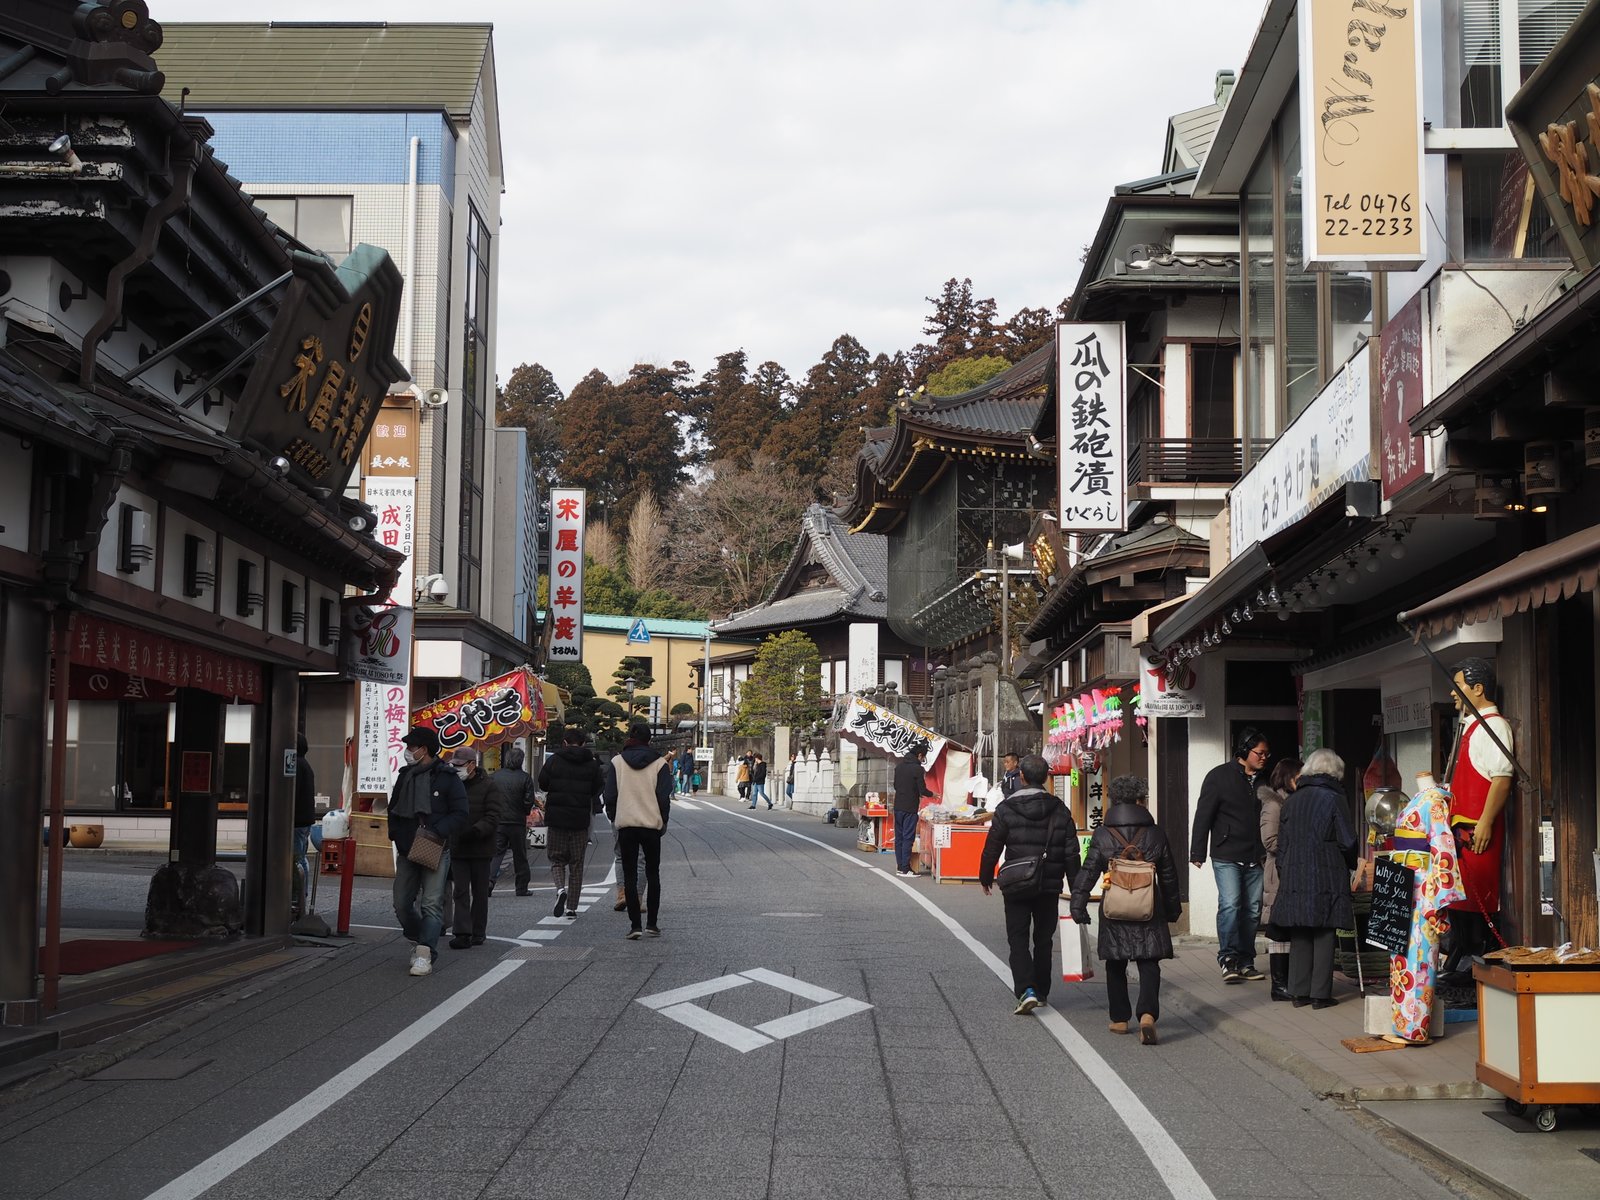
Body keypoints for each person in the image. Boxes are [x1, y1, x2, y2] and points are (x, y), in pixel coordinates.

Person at [1070, 774, 1181, 1043]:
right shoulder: (1155, 833)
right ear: (1140, 800)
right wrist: (1172, 908)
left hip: (1115, 906)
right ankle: (1147, 1015)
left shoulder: (1103, 833)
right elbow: (1168, 875)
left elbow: (1089, 870)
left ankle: (1120, 1019)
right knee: (1149, 961)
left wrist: (1078, 903)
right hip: (1148, 906)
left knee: (1116, 963)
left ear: (1114, 800)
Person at [980, 754, 1080, 1014]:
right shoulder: (1060, 809)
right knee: (1044, 939)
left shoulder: (1006, 809)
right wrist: (1077, 887)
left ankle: (1026, 990)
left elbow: (992, 847)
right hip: (1049, 884)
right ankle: (1043, 991)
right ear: (1046, 777)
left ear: (1021, 776)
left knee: (1018, 938)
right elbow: (1071, 852)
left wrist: (984, 876)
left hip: (1016, 883)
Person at [1442, 656, 1513, 977]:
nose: (1454, 694)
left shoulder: (1493, 726)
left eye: (1459, 686)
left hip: (1476, 833)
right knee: (1461, 899)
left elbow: (1501, 778)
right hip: (1462, 834)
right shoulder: (1472, 727)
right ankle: (1460, 957)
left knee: (1476, 898)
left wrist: (1485, 821)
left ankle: (1473, 960)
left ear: (1479, 688)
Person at [1271, 748, 1358, 1008]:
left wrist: (1284, 871)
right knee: (1324, 930)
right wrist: (1351, 864)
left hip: (1295, 871)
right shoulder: (1334, 798)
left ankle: (1298, 991)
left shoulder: (1293, 800)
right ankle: (1320, 994)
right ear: (1334, 773)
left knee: (1300, 930)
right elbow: (1347, 839)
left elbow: (1282, 843)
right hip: (1326, 869)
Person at [1385, 773, 1464, 1045]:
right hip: (1405, 882)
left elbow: (1443, 847)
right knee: (1401, 954)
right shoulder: (1421, 798)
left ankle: (1416, 1029)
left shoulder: (1435, 802)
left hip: (1422, 886)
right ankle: (1402, 1024)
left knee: (1419, 954)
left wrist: (1437, 897)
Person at [387, 727, 469, 976]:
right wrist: (397, 836)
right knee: (401, 903)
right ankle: (419, 936)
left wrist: (437, 832)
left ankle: (425, 952)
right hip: (406, 846)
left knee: (432, 904)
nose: (408, 752)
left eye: (412, 747)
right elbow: (393, 809)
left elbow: (461, 813)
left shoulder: (447, 777)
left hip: (434, 844)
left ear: (424, 750)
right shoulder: (405, 776)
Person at [1190, 727, 1270, 984]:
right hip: (1226, 854)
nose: (1264, 757)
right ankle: (1228, 959)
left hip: (1256, 854)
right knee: (1231, 905)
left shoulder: (1264, 780)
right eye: (1259, 753)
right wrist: (1197, 851)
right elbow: (1204, 815)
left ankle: (1247, 960)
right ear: (1245, 751)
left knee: (1253, 910)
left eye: (1267, 754)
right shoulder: (1219, 777)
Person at [603, 722, 673, 938]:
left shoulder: (617, 762)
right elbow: (664, 798)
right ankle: (652, 923)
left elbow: (610, 796)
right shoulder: (660, 764)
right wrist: (663, 822)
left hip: (626, 825)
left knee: (630, 874)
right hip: (651, 825)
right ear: (649, 739)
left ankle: (635, 925)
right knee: (653, 873)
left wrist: (616, 817)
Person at [447, 746, 513, 949]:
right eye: (454, 765)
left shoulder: (489, 786)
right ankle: (462, 932)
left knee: (480, 891)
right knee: (460, 891)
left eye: (460, 765)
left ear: (472, 765)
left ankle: (478, 931)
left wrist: (475, 831)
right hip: (458, 846)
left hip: (481, 847)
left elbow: (494, 816)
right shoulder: (452, 784)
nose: (457, 769)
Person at [539, 727, 604, 918]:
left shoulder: (554, 760)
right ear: (584, 744)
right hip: (579, 820)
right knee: (576, 864)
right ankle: (571, 908)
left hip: (557, 819)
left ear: (565, 743)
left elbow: (542, 783)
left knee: (557, 860)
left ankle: (560, 890)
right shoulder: (591, 764)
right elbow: (597, 787)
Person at [1258, 757, 1302, 1003]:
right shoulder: (1274, 804)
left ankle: (1286, 983)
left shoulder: (1291, 802)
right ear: (1288, 777)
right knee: (1278, 929)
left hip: (1290, 872)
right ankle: (1279, 984)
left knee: (1286, 928)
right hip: (1278, 874)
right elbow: (1270, 841)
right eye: (1298, 776)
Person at [488, 745, 535, 896]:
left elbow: (489, 797)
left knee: (496, 853)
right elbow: (529, 800)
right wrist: (525, 811)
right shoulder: (525, 777)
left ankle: (488, 882)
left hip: (498, 821)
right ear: (521, 761)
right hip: (517, 821)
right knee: (520, 855)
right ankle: (521, 887)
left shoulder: (495, 776)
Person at [891, 749, 933, 876]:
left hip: (898, 806)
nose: (922, 760)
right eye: (923, 758)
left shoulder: (899, 767)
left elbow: (895, 786)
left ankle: (900, 866)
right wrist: (933, 794)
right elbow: (922, 789)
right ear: (919, 755)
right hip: (910, 808)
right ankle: (905, 868)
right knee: (908, 838)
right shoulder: (917, 769)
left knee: (899, 838)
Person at [292, 732, 317, 912]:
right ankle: (301, 896)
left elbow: (292, 794)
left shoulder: (296, 765)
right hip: (305, 820)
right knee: (301, 857)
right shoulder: (305, 765)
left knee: (296, 858)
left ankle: (299, 896)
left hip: (297, 820)